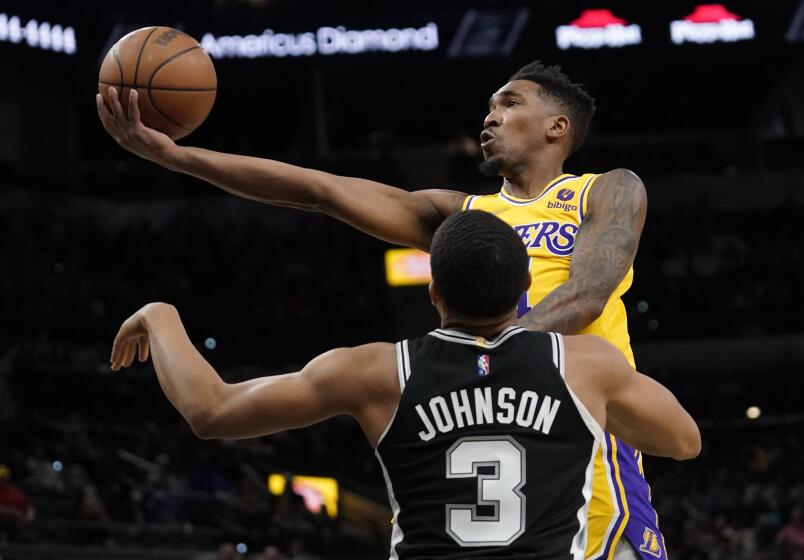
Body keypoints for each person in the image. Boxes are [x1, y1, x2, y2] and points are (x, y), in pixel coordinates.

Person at [98, 60, 655, 559]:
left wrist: (479, 357)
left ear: (559, 127)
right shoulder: (462, 218)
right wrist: (178, 157)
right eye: (489, 106)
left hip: (594, 477)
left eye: (509, 104)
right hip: (485, 463)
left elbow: (587, 294)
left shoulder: (606, 189)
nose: (489, 117)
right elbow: (321, 189)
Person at [110, 211, 700, 560]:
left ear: (434, 293)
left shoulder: (374, 373)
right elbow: (683, 442)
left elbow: (210, 410)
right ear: (524, 285)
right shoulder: (584, 365)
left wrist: (161, 315)